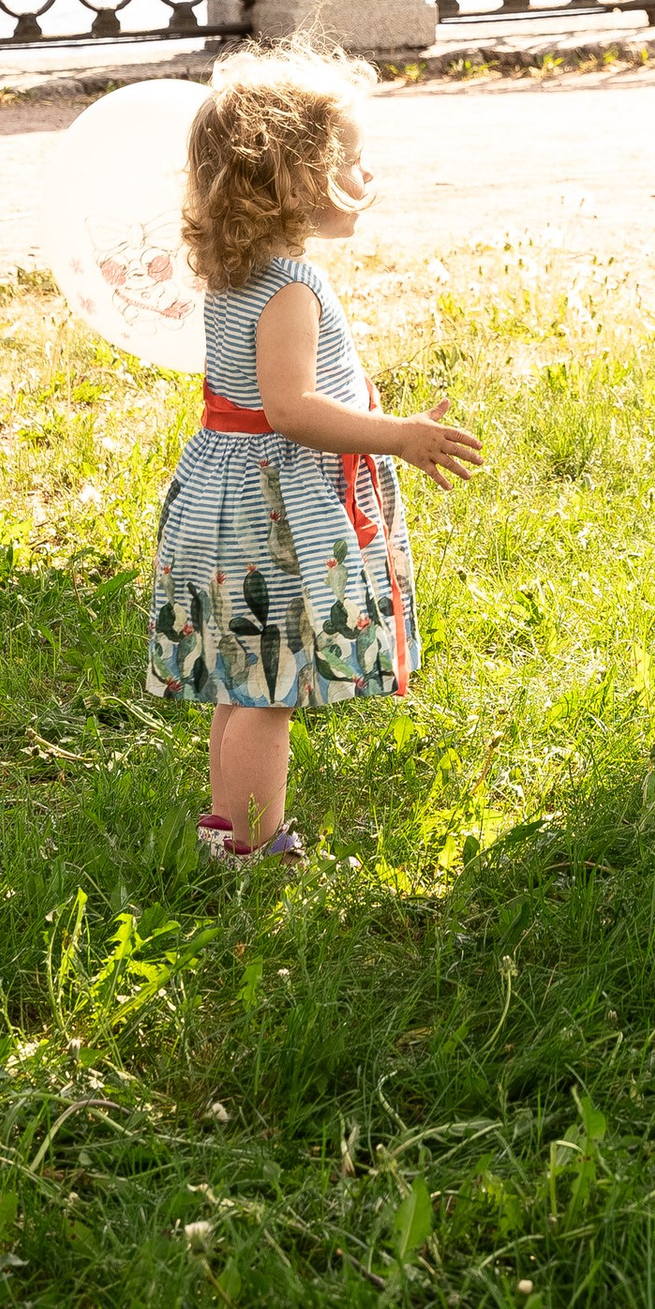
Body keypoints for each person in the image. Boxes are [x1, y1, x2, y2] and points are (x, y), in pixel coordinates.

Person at [149, 44, 483, 862]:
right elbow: (291, 409)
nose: (369, 179)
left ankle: (225, 829)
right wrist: (399, 436)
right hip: (270, 515)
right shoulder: (292, 287)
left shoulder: (239, 274)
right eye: (355, 162)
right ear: (296, 180)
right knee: (269, 692)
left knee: (242, 681)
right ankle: (255, 849)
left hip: (224, 499)